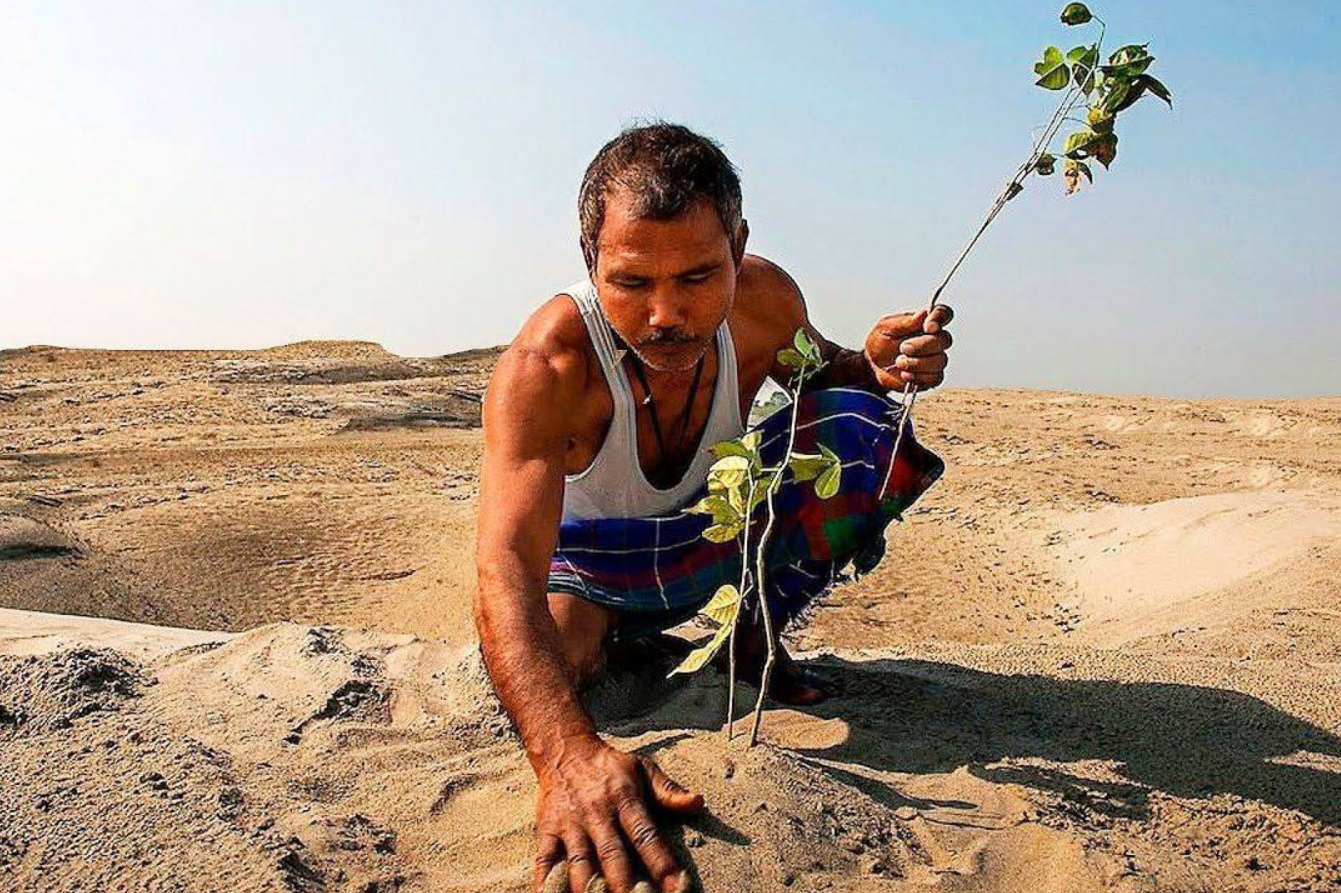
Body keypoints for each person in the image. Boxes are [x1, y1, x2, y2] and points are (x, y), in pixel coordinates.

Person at [474, 122, 954, 893]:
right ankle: (620, 641)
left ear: (737, 246)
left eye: (698, 276)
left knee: (864, 430)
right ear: (589, 260)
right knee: (560, 665)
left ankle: (749, 639)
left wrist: (876, 363)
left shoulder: (765, 299)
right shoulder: (546, 365)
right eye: (631, 283)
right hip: (592, 565)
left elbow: (827, 378)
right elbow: (502, 564)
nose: (666, 313)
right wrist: (566, 756)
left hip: (715, 536)